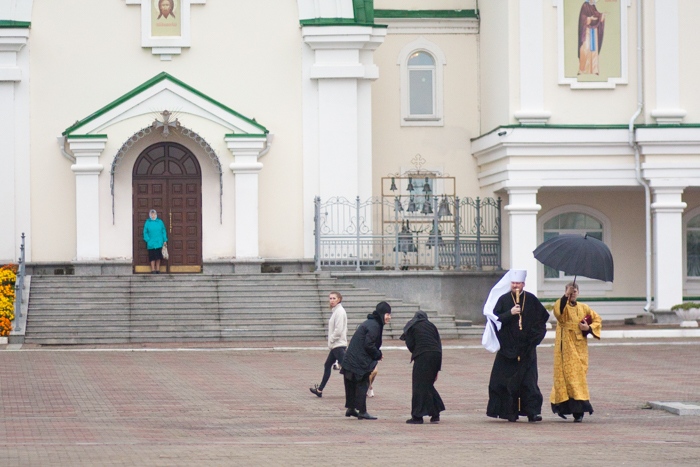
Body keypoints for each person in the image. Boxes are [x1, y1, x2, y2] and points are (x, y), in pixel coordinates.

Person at [483, 270, 550, 422]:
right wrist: (510, 313)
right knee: (505, 382)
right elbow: (496, 320)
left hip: (527, 349)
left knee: (529, 382)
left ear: (523, 284)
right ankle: (509, 412)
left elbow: (541, 321)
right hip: (508, 349)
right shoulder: (503, 299)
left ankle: (532, 412)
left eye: (518, 283)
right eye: (513, 283)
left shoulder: (531, 300)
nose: (515, 286)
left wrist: (533, 340)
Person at [550, 282, 602, 422]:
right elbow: (558, 312)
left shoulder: (584, 307)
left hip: (580, 347)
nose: (572, 294)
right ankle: (571, 409)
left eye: (574, 291)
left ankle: (579, 409)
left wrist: (588, 328)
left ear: (578, 292)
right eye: (570, 292)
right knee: (567, 377)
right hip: (565, 346)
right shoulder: (562, 305)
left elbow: (597, 319)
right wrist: (565, 296)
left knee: (579, 376)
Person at [340, 301, 392, 420]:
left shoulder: (371, 323)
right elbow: (369, 344)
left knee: (352, 383)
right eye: (387, 314)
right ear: (382, 314)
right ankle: (362, 411)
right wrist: (378, 354)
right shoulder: (375, 325)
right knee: (362, 384)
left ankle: (351, 408)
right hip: (358, 360)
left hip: (351, 358)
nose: (389, 317)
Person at [401, 311, 445, 424]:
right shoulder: (431, 326)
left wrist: (416, 351)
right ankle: (435, 413)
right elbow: (438, 344)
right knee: (427, 385)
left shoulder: (412, 325)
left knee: (418, 386)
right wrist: (437, 369)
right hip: (436, 355)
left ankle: (417, 416)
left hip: (423, 356)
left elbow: (410, 343)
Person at [310, 291, 347, 397]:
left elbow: (338, 330)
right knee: (328, 365)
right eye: (330, 298)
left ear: (339, 299)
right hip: (336, 345)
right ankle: (319, 390)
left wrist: (331, 339)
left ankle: (359, 389)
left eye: (334, 298)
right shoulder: (336, 311)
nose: (331, 300)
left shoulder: (339, 311)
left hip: (338, 344)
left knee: (347, 369)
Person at [578, 0, 605, 75]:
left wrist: (602, 15)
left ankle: (594, 70)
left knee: (594, 50)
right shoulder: (585, 5)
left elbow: (597, 14)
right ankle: (582, 69)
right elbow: (582, 18)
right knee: (585, 48)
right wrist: (589, 18)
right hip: (586, 30)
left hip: (594, 30)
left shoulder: (593, 5)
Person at [143, 209, 168, 274]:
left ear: (156, 214)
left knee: (158, 257)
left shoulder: (160, 222)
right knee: (152, 257)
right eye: (152, 214)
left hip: (159, 242)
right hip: (151, 243)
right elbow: (145, 232)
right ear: (150, 215)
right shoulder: (147, 222)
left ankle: (158, 269)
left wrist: (164, 240)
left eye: (154, 214)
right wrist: (147, 239)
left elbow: (163, 231)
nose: (153, 215)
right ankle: (153, 269)